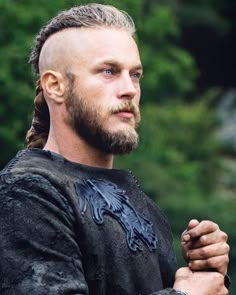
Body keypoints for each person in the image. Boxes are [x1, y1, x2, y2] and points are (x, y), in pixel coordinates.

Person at [0, 3, 230, 295]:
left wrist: (204, 272)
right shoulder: (26, 192)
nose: (130, 89)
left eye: (135, 75)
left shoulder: (138, 201)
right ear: (55, 86)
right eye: (109, 71)